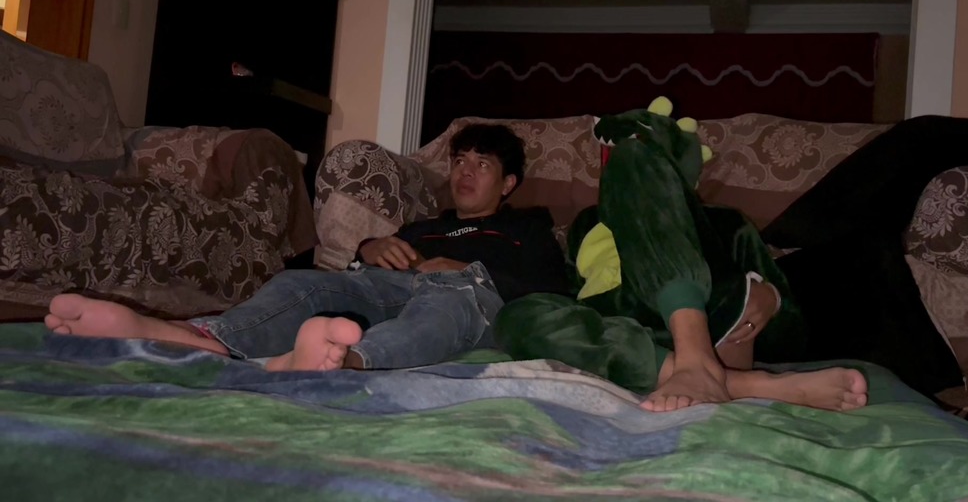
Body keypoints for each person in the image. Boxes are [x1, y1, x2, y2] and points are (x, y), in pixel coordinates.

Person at [44, 123, 571, 372]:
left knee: (443, 301)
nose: (465, 172)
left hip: (466, 293)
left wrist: (465, 267)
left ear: (508, 184)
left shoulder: (527, 228)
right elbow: (363, 268)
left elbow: (553, 292)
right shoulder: (423, 227)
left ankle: (345, 362)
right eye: (459, 161)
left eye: (482, 164)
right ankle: (201, 337)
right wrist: (371, 246)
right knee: (305, 282)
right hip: (389, 285)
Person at [495, 107, 870, 413]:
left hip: (705, 322)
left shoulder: (723, 221)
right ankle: (734, 382)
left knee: (633, 155)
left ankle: (694, 355)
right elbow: (568, 298)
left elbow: (791, 326)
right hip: (628, 341)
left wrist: (769, 297)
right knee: (515, 318)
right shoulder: (585, 224)